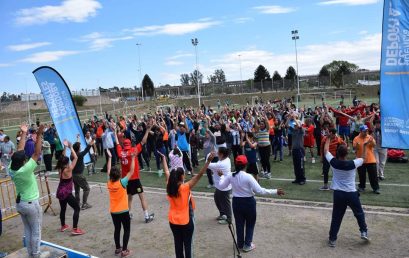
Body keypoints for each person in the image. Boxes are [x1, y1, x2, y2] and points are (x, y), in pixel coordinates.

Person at [215, 155, 284, 252]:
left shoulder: (231, 175)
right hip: (249, 203)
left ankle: (240, 243)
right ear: (246, 165)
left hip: (236, 203)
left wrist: (221, 177)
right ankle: (247, 245)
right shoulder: (248, 177)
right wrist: (275, 191)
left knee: (239, 224)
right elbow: (260, 191)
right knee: (250, 224)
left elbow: (222, 186)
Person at [162, 150, 214, 258]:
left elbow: (167, 173)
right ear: (181, 177)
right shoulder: (184, 188)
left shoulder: (169, 186)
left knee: (178, 244)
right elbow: (199, 175)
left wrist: (163, 159)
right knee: (188, 245)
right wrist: (208, 162)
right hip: (186, 221)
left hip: (173, 221)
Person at [324, 135, 369, 248]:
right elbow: (364, 157)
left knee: (336, 217)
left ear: (337, 153)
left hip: (338, 194)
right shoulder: (353, 163)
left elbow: (325, 151)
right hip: (351, 193)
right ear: (346, 154)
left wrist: (328, 139)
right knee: (359, 213)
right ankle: (363, 231)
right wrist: (364, 145)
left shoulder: (333, 162)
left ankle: (332, 239)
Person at [9, 123, 44, 258]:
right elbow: (37, 153)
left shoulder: (12, 168)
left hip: (21, 204)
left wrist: (23, 132)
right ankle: (35, 254)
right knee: (36, 230)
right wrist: (39, 134)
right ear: (23, 161)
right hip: (31, 204)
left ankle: (31, 253)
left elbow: (20, 149)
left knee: (28, 229)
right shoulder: (25, 170)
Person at [114, 121, 155, 222]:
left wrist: (114, 132)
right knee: (142, 197)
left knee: (129, 197)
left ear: (124, 145)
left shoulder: (121, 153)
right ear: (130, 145)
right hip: (135, 178)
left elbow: (117, 143)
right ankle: (146, 216)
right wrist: (148, 130)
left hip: (126, 180)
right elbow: (143, 141)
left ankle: (128, 215)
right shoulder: (134, 151)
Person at [107, 149, 135, 257]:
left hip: (114, 211)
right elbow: (131, 171)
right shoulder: (122, 182)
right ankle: (124, 250)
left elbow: (109, 169)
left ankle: (118, 248)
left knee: (117, 229)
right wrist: (133, 158)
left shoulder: (109, 183)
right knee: (126, 229)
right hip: (123, 210)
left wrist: (109, 158)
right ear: (119, 174)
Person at [55, 140, 85, 235]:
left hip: (60, 191)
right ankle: (75, 229)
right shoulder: (68, 169)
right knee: (77, 208)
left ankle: (63, 226)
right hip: (66, 192)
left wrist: (65, 147)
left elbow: (62, 157)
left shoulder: (60, 167)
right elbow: (75, 157)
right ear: (67, 162)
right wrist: (70, 147)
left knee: (63, 209)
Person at [207, 147, 232, 225]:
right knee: (217, 198)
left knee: (226, 203)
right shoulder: (227, 159)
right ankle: (222, 214)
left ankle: (229, 219)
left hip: (224, 187)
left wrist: (209, 155)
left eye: (218, 152)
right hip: (220, 185)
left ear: (221, 154)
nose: (217, 153)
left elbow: (207, 164)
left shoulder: (220, 164)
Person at [353, 125, 380, 194]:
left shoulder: (370, 137)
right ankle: (362, 187)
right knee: (361, 175)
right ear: (360, 131)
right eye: (364, 131)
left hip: (371, 160)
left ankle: (376, 188)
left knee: (373, 175)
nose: (366, 132)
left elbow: (374, 145)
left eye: (367, 131)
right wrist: (358, 145)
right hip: (360, 160)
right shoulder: (356, 139)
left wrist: (371, 141)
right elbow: (354, 149)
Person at [72, 134, 94, 209]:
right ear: (78, 149)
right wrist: (92, 140)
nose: (81, 147)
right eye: (80, 147)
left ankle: (77, 203)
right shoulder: (80, 155)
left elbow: (75, 147)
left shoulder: (72, 155)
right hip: (79, 175)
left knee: (77, 190)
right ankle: (84, 204)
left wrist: (77, 138)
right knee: (87, 188)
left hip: (73, 175)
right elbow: (87, 149)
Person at [254, 114, 272, 179]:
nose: (261, 125)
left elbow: (267, 123)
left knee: (267, 160)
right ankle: (265, 171)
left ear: (264, 125)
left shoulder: (267, 130)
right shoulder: (258, 130)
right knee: (262, 160)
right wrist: (256, 117)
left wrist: (265, 117)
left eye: (262, 124)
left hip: (267, 147)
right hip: (261, 148)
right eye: (260, 124)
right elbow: (255, 123)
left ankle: (269, 173)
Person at [291, 120, 306, 185]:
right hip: (294, 150)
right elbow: (286, 125)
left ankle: (302, 179)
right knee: (296, 165)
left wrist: (294, 118)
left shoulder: (301, 131)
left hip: (300, 150)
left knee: (301, 165)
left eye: (295, 125)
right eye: (294, 125)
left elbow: (300, 127)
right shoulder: (293, 131)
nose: (294, 126)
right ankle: (297, 178)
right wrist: (289, 117)